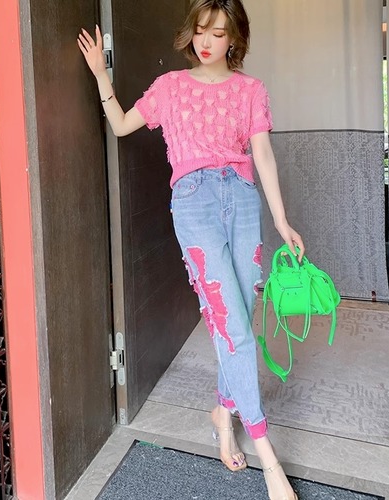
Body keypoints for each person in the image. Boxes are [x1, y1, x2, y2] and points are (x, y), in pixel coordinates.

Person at [78, 1, 303, 498]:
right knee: (232, 326)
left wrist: (281, 220)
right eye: (201, 30)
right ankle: (267, 456)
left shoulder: (251, 90)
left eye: (218, 33)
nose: (206, 41)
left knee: (240, 317)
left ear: (234, 38)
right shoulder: (170, 87)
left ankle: (223, 413)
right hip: (194, 205)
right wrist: (101, 75)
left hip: (242, 201)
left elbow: (263, 154)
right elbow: (121, 125)